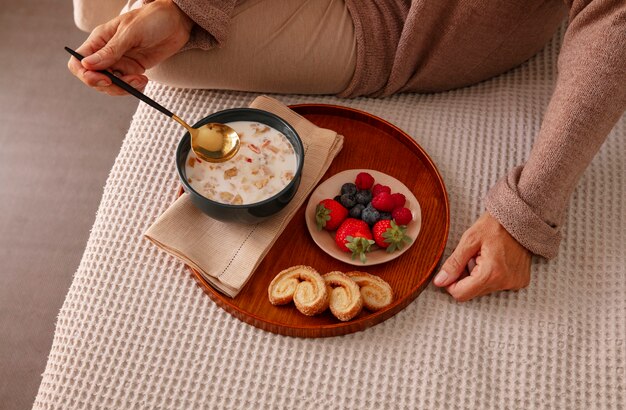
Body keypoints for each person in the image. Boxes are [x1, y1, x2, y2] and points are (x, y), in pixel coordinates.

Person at [67, 0, 626, 302]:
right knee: (98, 8)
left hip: (413, 21)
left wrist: (528, 212)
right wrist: (190, 6)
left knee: (123, 28)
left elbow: (614, 18)